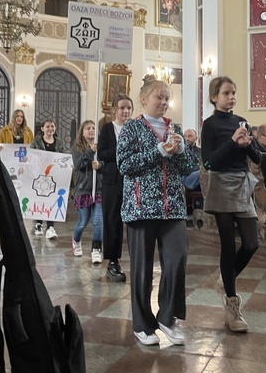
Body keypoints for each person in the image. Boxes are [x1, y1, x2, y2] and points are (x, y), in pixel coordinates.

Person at [117, 76, 194, 346]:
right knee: (142, 269)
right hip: (141, 208)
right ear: (144, 99)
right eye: (158, 97)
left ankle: (168, 318)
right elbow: (124, 164)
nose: (163, 102)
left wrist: (183, 150)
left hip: (172, 206)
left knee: (177, 260)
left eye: (166, 97)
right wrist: (159, 150)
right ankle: (142, 324)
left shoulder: (175, 128)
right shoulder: (132, 128)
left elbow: (187, 168)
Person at [201, 76, 261, 333]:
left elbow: (258, 156)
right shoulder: (210, 124)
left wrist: (247, 146)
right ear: (215, 96)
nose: (231, 97)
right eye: (226, 92)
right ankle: (232, 307)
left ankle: (225, 279)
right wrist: (232, 142)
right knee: (228, 245)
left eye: (234, 92)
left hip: (242, 183)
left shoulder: (242, 122)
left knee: (251, 243)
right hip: (221, 184)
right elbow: (209, 162)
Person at [97, 93, 134, 282]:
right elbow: (102, 153)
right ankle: (113, 261)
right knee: (112, 220)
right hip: (113, 181)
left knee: (135, 221)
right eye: (122, 107)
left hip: (133, 180)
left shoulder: (136, 129)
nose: (126, 111)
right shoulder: (107, 129)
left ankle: (137, 259)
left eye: (129, 107)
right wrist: (121, 149)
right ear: (114, 110)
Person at [70, 120, 103, 264]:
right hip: (84, 189)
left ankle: (96, 249)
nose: (91, 130)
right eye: (88, 128)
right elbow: (78, 165)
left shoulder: (102, 147)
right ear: (82, 132)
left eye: (93, 128)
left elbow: (107, 163)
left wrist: (100, 164)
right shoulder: (77, 148)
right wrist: (90, 151)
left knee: (97, 221)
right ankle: (76, 241)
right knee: (83, 221)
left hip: (99, 189)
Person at [30, 119, 63, 239]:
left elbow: (62, 155)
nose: (50, 129)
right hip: (39, 175)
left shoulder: (58, 142)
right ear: (42, 128)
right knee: (39, 199)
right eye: (48, 127)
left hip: (53, 176)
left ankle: (50, 226)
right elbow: (32, 155)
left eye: (52, 126)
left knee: (51, 200)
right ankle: (39, 223)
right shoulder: (36, 141)